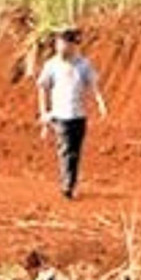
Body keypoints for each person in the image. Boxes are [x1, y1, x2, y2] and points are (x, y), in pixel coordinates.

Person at [37, 26, 108, 200]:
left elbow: (93, 84)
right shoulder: (51, 65)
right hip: (60, 116)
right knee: (66, 149)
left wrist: (100, 103)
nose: (60, 47)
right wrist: (44, 112)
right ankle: (67, 186)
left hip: (79, 115)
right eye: (58, 43)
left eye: (63, 44)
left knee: (75, 151)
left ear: (72, 45)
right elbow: (42, 87)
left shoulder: (83, 64)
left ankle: (70, 182)